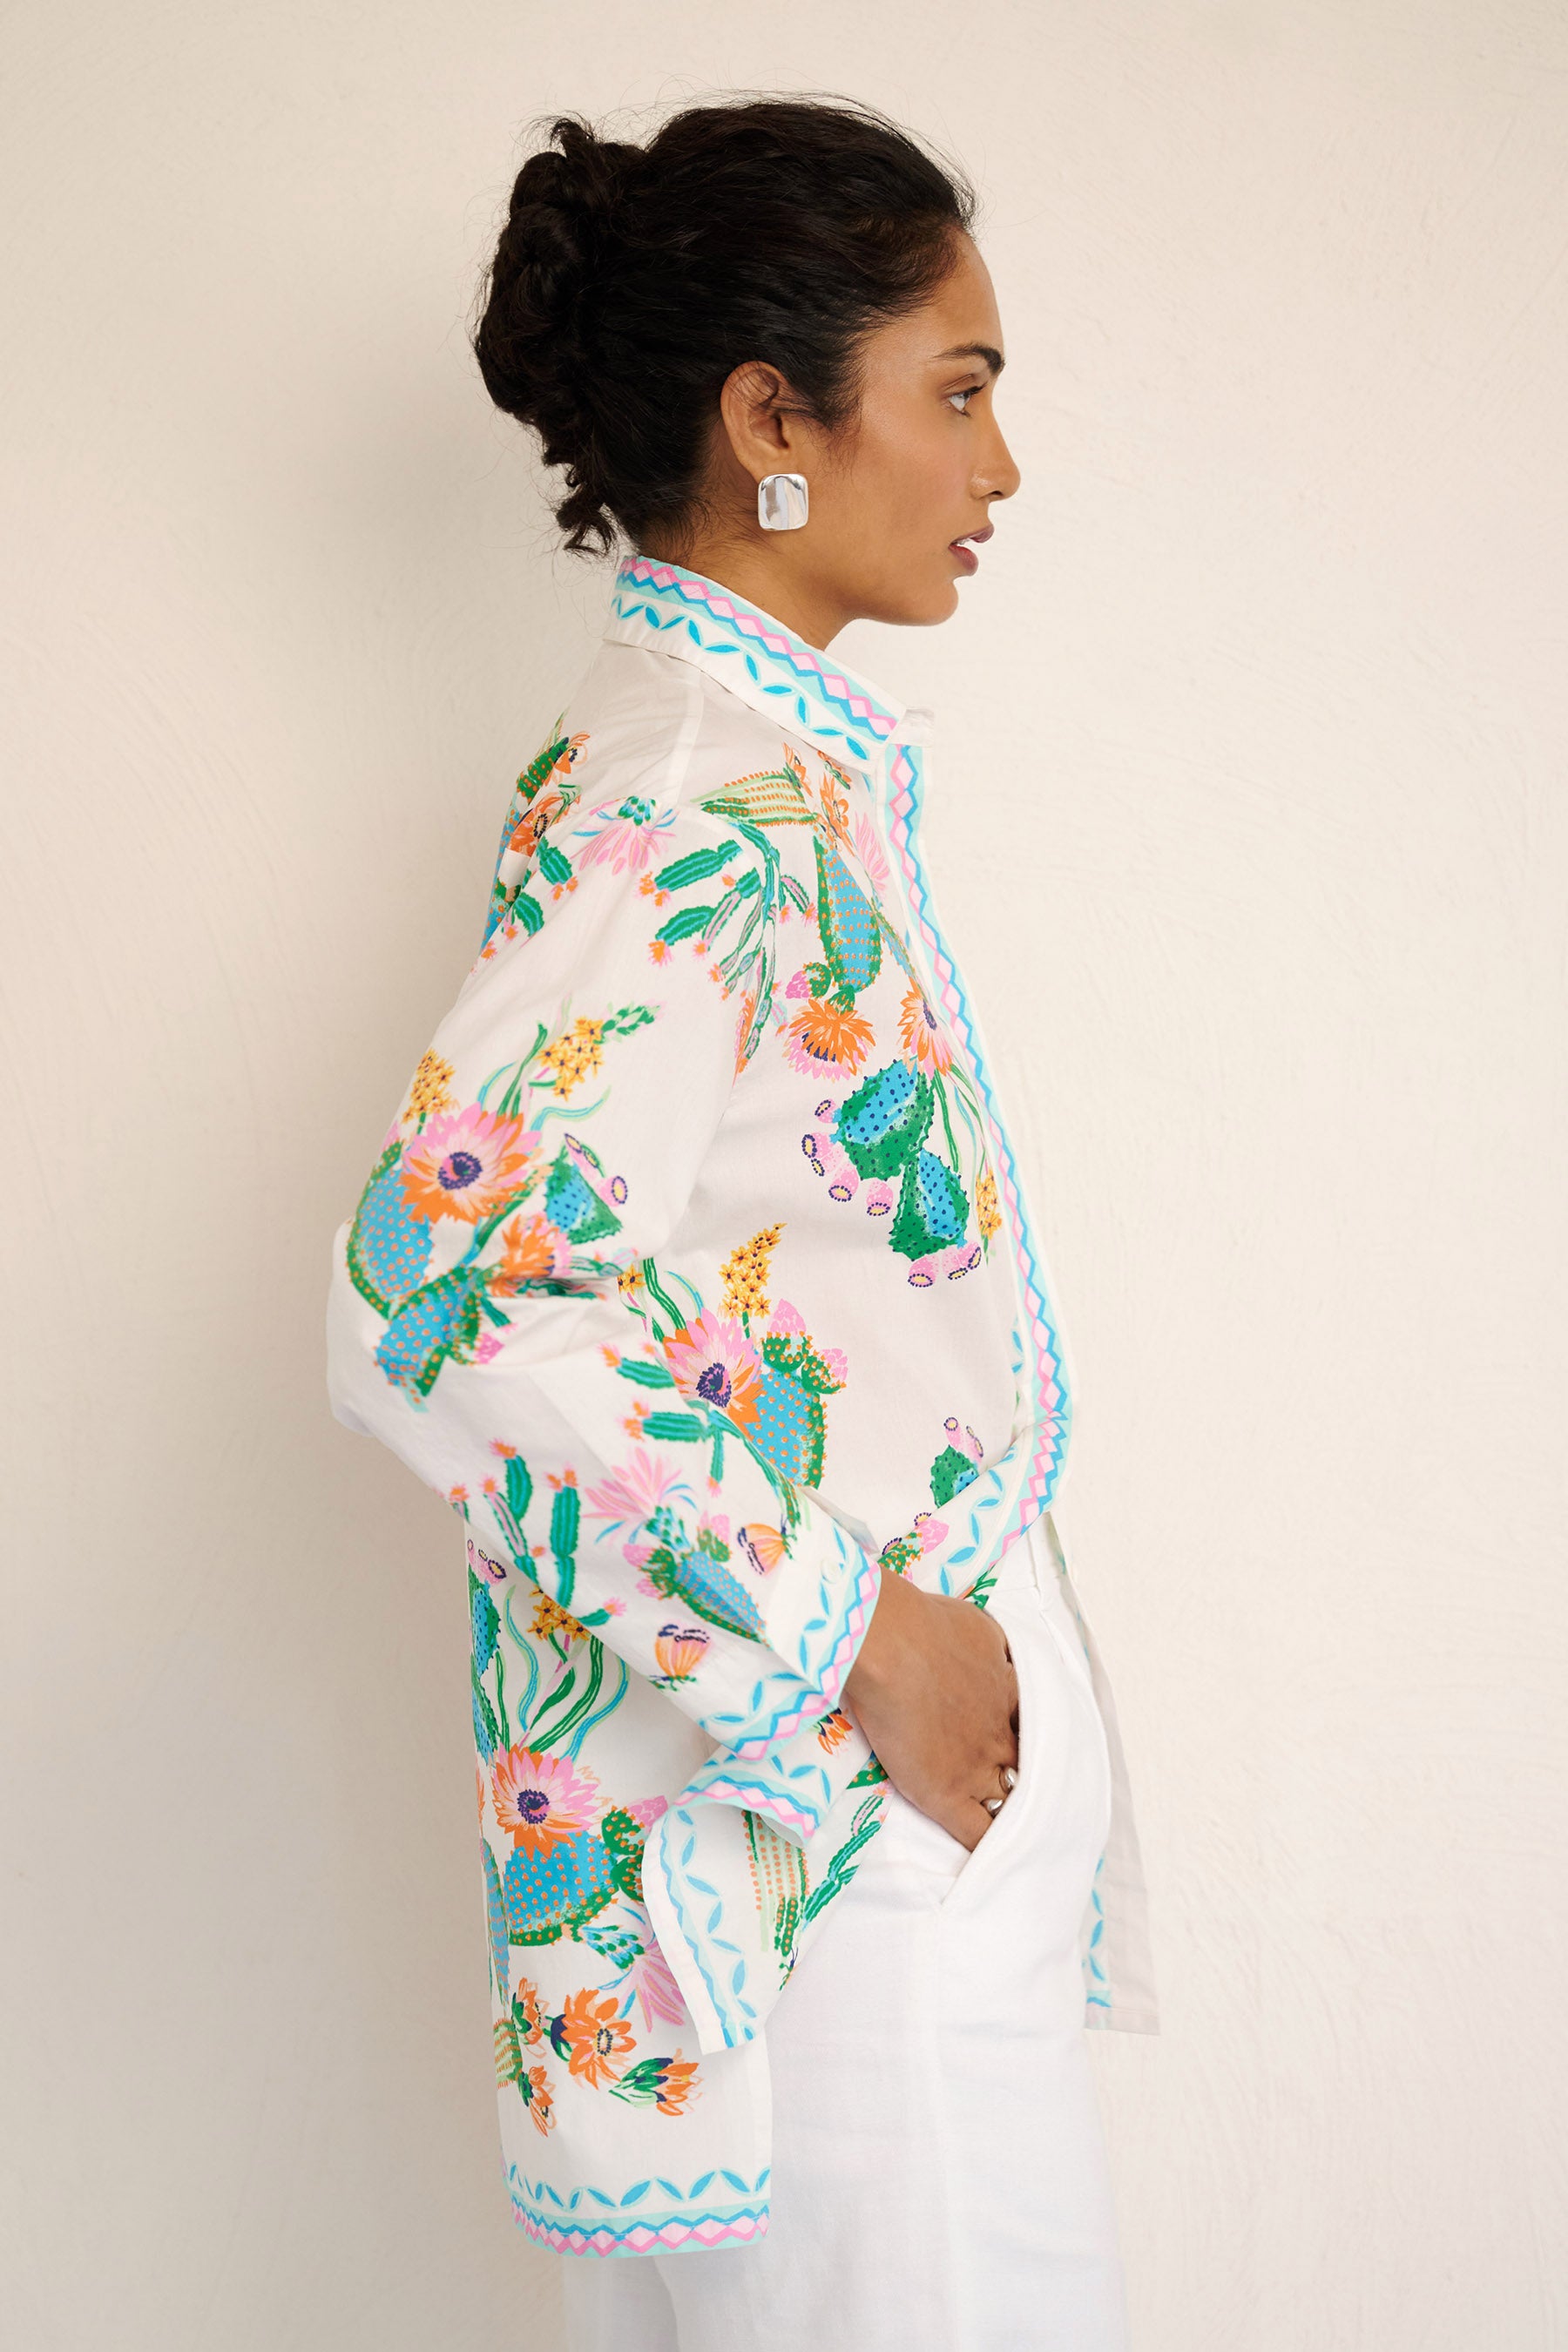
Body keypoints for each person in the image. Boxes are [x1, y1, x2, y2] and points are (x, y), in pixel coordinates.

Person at [327, 96, 1157, 2352]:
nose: (1002, 468)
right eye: (959, 390)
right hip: (816, 1872)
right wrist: (852, 1639)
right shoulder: (688, 794)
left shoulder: (761, 768)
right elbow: (436, 1301)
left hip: (842, 1871)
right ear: (772, 418)